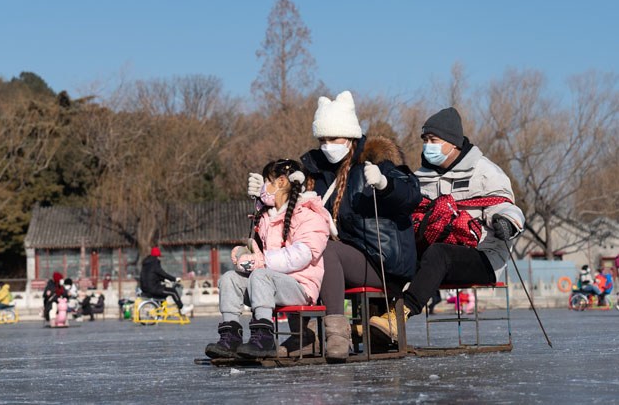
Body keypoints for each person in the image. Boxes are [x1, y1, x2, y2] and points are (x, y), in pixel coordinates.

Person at [257, 91, 420, 362]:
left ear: (350, 137)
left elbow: (413, 195)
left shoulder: (375, 163)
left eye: (333, 138)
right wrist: (266, 197)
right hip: (340, 257)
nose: (327, 145)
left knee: (325, 251)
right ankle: (305, 335)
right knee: (305, 250)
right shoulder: (315, 174)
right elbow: (293, 219)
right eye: (322, 139)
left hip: (381, 260)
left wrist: (386, 184)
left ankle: (336, 333)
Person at [368, 107, 525, 343]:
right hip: (434, 252)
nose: (427, 145)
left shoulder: (485, 172)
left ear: (453, 143)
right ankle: (374, 328)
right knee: (394, 257)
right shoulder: (422, 176)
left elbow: (502, 204)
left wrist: (508, 222)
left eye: (433, 140)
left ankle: (397, 318)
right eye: (425, 140)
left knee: (439, 254)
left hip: (483, 256)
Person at [206, 159, 333, 359]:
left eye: (267, 182)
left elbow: (303, 254)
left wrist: (261, 261)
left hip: (300, 286)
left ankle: (263, 337)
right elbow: (260, 252)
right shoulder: (267, 216)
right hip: (267, 282)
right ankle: (230, 336)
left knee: (261, 275)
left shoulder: (310, 216)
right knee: (230, 277)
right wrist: (247, 254)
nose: (264, 187)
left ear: (281, 182)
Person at [140, 247, 193, 315]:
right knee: (172, 292)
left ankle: (160, 313)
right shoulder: (155, 262)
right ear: (157, 256)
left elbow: (154, 275)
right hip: (152, 289)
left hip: (145, 289)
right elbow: (162, 273)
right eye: (159, 256)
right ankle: (182, 309)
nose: (160, 258)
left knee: (162, 294)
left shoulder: (147, 264)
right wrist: (174, 279)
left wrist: (164, 280)